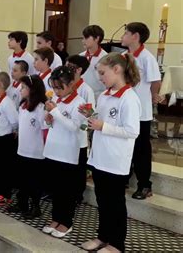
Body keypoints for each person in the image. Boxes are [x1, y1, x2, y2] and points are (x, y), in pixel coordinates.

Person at [80, 52, 141, 252]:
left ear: (117, 70)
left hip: (115, 160)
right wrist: (90, 115)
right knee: (102, 201)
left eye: (102, 73)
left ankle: (116, 244)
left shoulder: (129, 98)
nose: (100, 77)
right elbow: (102, 120)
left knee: (115, 204)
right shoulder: (105, 94)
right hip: (100, 157)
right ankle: (103, 236)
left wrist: (102, 126)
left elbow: (132, 131)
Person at [42, 66, 86, 238]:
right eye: (54, 87)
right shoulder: (58, 101)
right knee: (56, 188)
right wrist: (48, 119)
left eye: (60, 87)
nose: (57, 91)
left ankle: (66, 222)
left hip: (68, 152)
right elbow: (53, 125)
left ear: (71, 84)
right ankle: (56, 218)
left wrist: (55, 113)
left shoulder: (80, 102)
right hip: (53, 149)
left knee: (67, 190)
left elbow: (74, 127)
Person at [121, 22, 162, 200]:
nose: (123, 36)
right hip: (125, 109)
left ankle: (145, 185)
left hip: (141, 113)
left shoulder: (147, 57)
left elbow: (155, 81)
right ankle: (124, 177)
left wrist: (154, 96)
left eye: (126, 33)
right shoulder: (123, 56)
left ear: (135, 36)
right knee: (124, 146)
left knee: (141, 149)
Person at [8, 74, 47, 218]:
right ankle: (22, 203)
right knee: (22, 179)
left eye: (24, 87)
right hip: (22, 149)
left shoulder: (40, 107)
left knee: (34, 181)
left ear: (33, 89)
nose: (20, 89)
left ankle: (35, 207)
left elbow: (44, 129)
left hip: (35, 152)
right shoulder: (23, 106)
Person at [66, 55, 95, 203]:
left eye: (70, 66)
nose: (67, 69)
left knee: (78, 169)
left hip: (79, 137)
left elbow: (90, 115)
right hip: (65, 136)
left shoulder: (86, 90)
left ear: (78, 70)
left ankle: (77, 196)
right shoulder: (66, 86)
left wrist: (80, 128)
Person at [0, 72, 19, 204]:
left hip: (4, 139)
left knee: (4, 167)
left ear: (0, 85)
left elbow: (14, 121)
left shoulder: (7, 102)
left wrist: (11, 132)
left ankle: (5, 192)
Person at [79, 25, 108, 99]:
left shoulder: (106, 58)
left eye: (86, 38)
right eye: (83, 38)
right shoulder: (80, 56)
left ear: (97, 38)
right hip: (81, 95)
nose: (83, 41)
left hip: (99, 97)